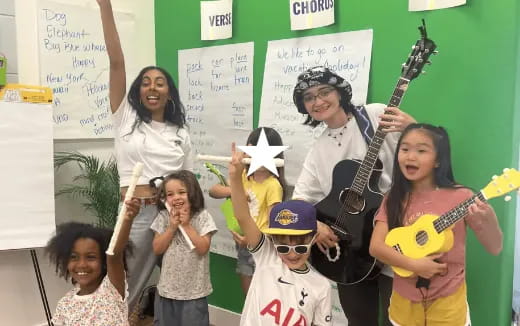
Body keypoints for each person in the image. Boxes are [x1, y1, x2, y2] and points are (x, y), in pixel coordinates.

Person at [291, 66, 416, 325]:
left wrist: (412, 126)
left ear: (340, 92)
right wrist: (314, 224)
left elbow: (422, 151)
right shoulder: (319, 149)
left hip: (398, 235)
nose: (318, 101)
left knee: (401, 320)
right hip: (351, 248)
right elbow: (299, 200)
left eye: (324, 91)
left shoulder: (376, 115)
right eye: (309, 97)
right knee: (358, 319)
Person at [97, 0, 193, 313]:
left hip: (171, 213)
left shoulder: (181, 133)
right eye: (146, 83)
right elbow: (116, 63)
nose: (152, 88)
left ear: (169, 92)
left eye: (160, 82)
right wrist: (105, 6)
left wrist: (185, 216)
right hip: (134, 214)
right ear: (138, 90)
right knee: (124, 288)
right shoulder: (124, 117)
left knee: (180, 288)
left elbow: (189, 182)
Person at [369, 123, 503, 325]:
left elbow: (495, 247)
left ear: (438, 160)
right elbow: (376, 247)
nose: (410, 156)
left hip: (448, 302)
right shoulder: (394, 197)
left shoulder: (462, 197)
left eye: (421, 150)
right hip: (404, 301)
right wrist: (414, 265)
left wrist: (489, 218)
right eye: (404, 149)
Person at [209, 127, 285, 295]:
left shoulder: (273, 185)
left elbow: (274, 224)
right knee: (248, 295)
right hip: (242, 245)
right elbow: (213, 191)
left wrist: (251, 239)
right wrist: (234, 190)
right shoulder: (242, 178)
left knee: (263, 295)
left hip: (262, 247)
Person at [46, 199, 141, 326]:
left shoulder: (111, 290)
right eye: (74, 257)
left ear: (103, 262)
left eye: (90, 257)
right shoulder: (65, 304)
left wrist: (127, 220)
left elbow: (114, 255)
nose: (82, 264)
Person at [150, 170, 217, 325]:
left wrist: (186, 225)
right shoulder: (163, 217)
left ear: (193, 193)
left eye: (181, 192)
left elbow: (203, 248)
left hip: (194, 292)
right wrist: (172, 228)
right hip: (167, 290)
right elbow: (157, 248)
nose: (176, 197)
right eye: (170, 194)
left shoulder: (202, 217)